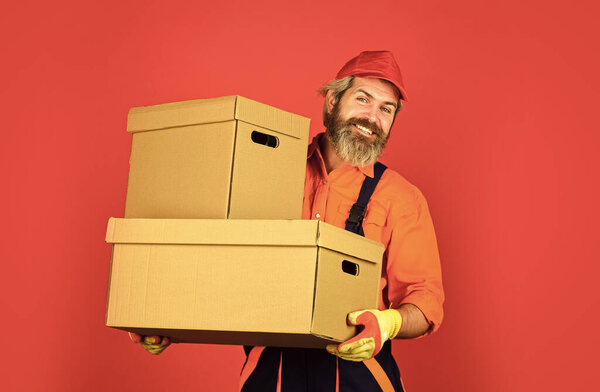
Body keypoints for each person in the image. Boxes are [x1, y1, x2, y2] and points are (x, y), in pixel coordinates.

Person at [131, 51, 444, 392]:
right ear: (332, 101)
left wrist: (388, 322)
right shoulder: (268, 171)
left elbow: (424, 299)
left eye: (386, 109)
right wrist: (163, 318)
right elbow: (216, 256)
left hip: (360, 377)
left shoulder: (401, 198)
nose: (372, 117)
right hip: (270, 377)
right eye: (363, 99)